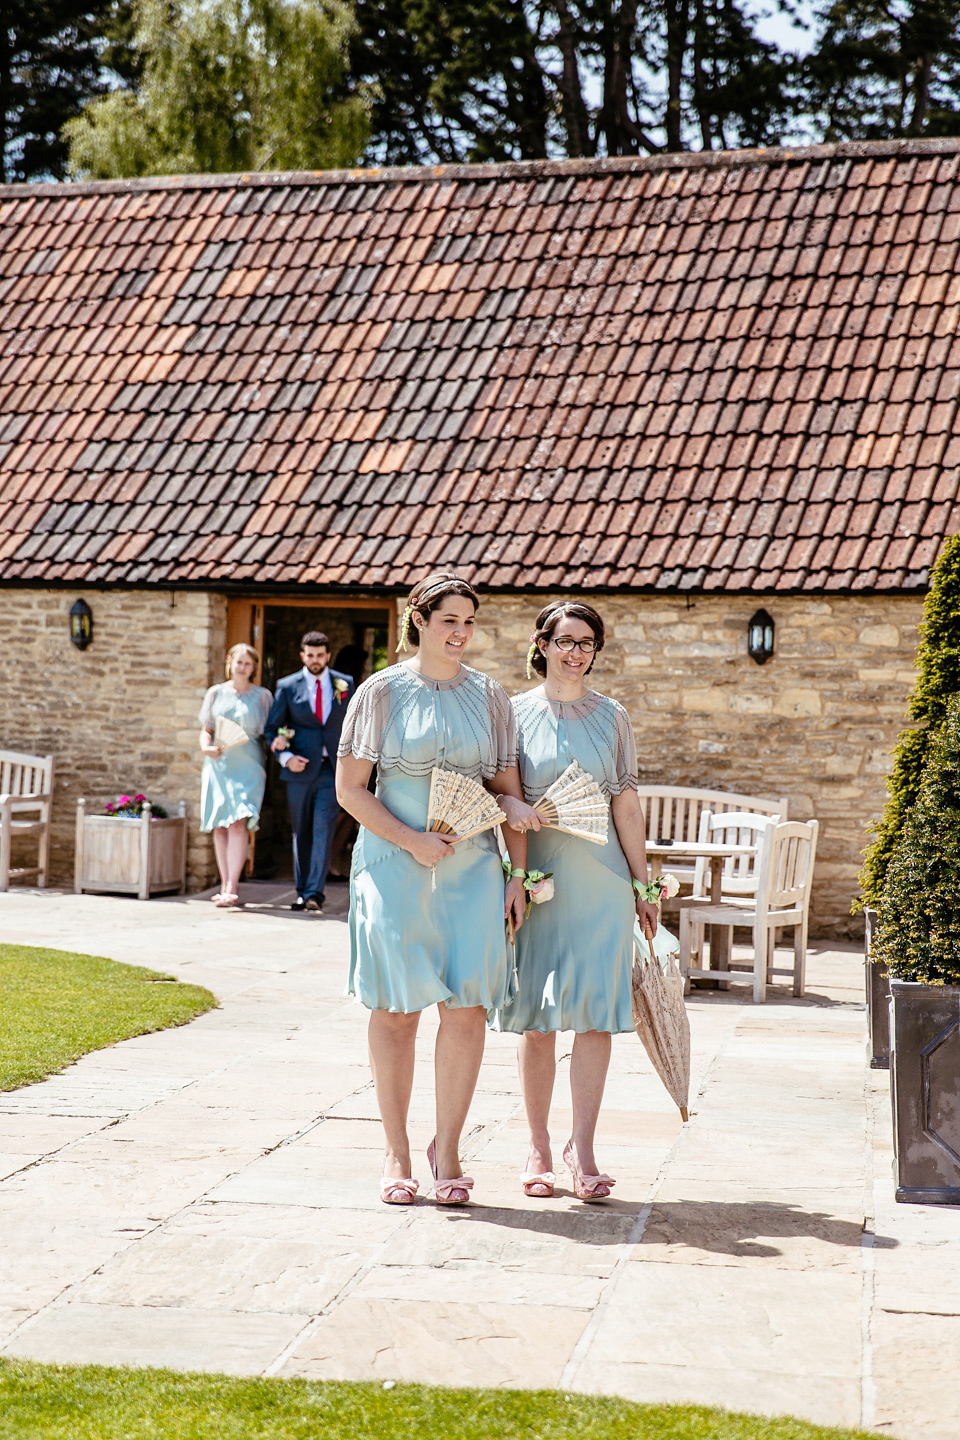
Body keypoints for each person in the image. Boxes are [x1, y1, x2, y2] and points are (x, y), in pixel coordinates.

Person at [335, 572, 537, 1207]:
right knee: (396, 1011)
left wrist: (517, 875)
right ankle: (395, 1149)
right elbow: (350, 789)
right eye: (450, 620)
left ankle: (446, 1147)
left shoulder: (492, 697)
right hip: (395, 868)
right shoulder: (380, 693)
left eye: (470, 623)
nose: (461, 633)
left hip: (474, 869)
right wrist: (409, 838)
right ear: (419, 619)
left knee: (468, 1009)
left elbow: (508, 794)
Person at [496, 601, 663, 1202]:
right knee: (538, 1020)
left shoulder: (613, 717)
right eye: (565, 641)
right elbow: (507, 805)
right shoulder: (509, 715)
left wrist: (643, 886)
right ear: (542, 644)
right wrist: (516, 875)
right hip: (541, 877)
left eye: (586, 643)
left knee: (595, 1017)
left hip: (603, 880)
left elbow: (626, 805)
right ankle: (538, 1148)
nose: (576, 652)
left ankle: (583, 1148)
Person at [264, 631, 355, 912]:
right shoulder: (287, 686)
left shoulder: (346, 684)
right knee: (301, 831)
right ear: (303, 656)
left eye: (320, 655)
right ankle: (302, 891)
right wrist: (285, 756)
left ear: (327, 655)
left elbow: (354, 723)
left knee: (322, 828)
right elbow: (272, 729)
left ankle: (315, 893)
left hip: (332, 769)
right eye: (310, 655)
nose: (315, 660)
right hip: (299, 770)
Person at [199, 643, 273, 909]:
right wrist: (206, 747)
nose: (242, 667)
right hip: (219, 764)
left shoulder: (263, 696)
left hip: (249, 763)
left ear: (253, 668)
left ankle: (233, 887)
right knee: (220, 825)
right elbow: (206, 728)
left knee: (238, 823)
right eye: (238, 661)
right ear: (230, 662)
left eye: (248, 663)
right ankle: (223, 884)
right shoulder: (215, 693)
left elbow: (271, 731)